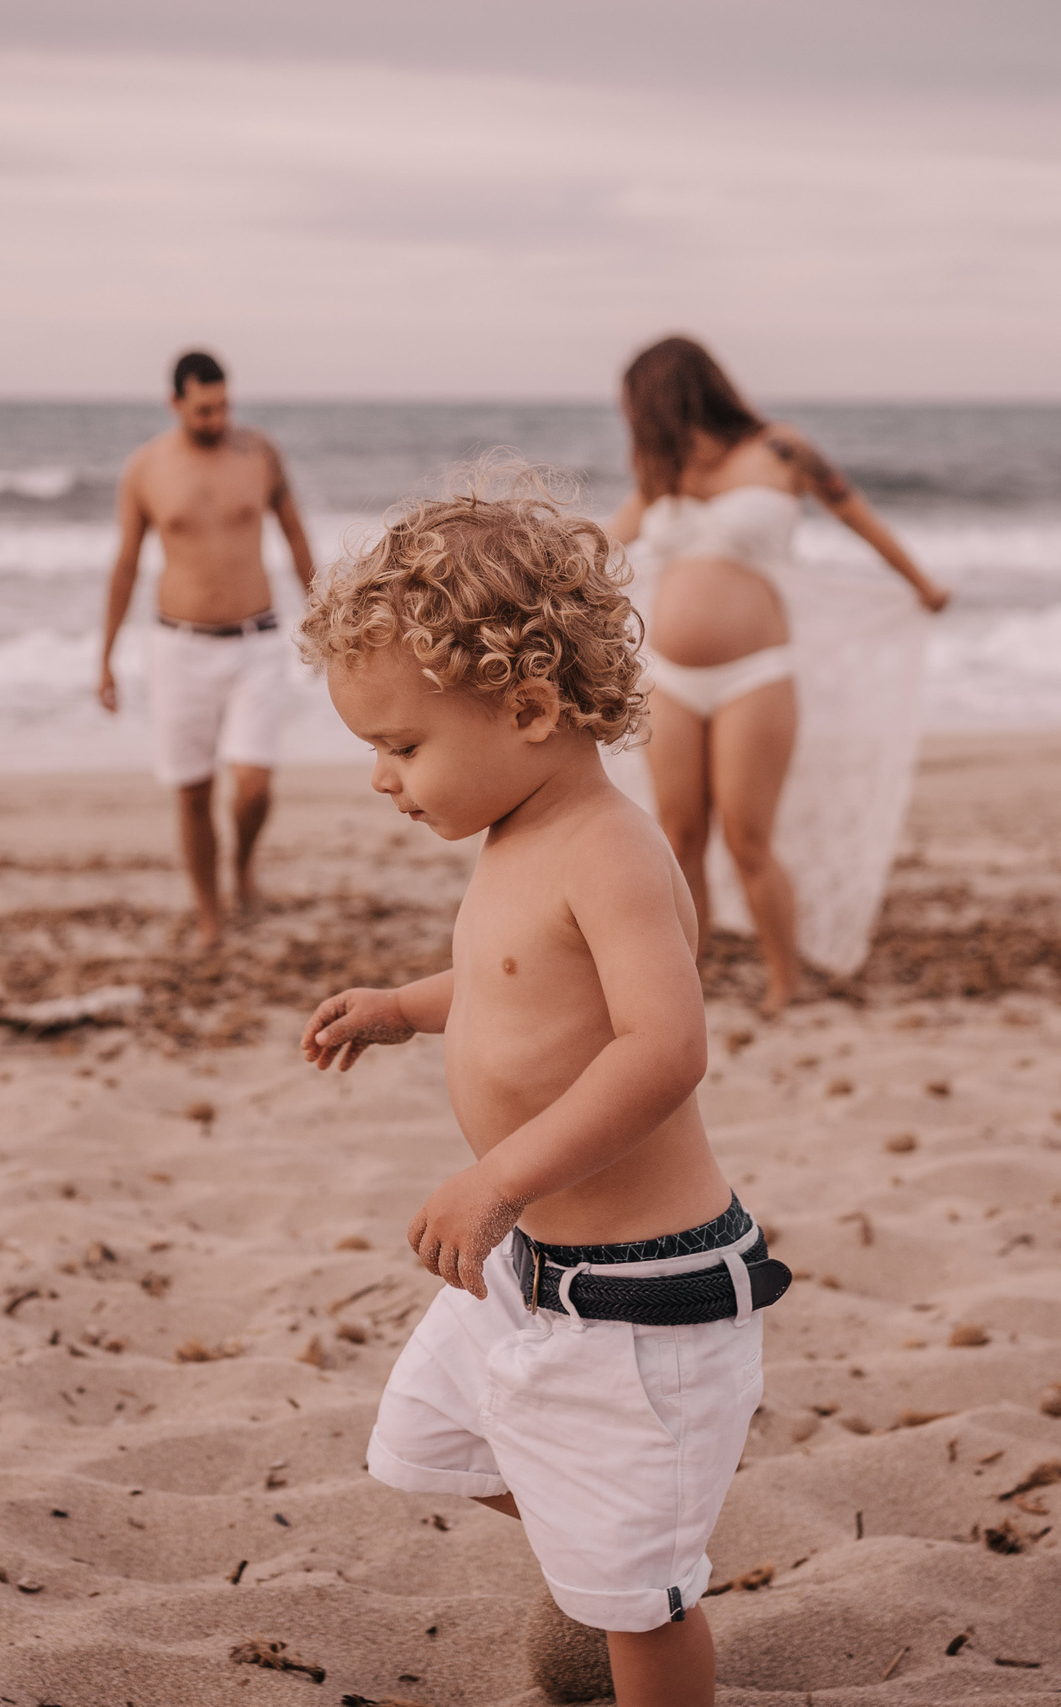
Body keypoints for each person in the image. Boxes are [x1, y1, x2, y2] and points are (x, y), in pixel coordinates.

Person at [297, 473, 790, 1707]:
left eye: (400, 747)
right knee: (426, 1445)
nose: (381, 779)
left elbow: (662, 1047)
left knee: (640, 1598)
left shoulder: (612, 849)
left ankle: (632, 1579)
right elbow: (508, 979)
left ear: (525, 708)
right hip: (526, 1285)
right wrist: (406, 1008)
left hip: (641, 1303)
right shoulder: (517, 834)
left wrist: (502, 1176)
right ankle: (605, 1547)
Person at [606, 335, 951, 1012]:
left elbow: (857, 516)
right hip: (668, 677)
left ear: (667, 396)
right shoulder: (661, 472)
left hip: (754, 674)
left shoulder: (781, 450)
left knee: (747, 837)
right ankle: (684, 983)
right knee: (679, 838)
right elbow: (605, 543)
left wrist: (922, 584)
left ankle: (784, 979)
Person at [96, 349, 318, 948]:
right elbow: (123, 566)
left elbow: (296, 534)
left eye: (223, 405)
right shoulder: (145, 469)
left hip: (257, 641)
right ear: (175, 404)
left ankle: (243, 865)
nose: (216, 418)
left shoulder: (260, 454)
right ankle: (210, 915)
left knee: (253, 785)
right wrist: (105, 658)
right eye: (203, 408)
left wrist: (323, 615)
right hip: (179, 648)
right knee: (193, 791)